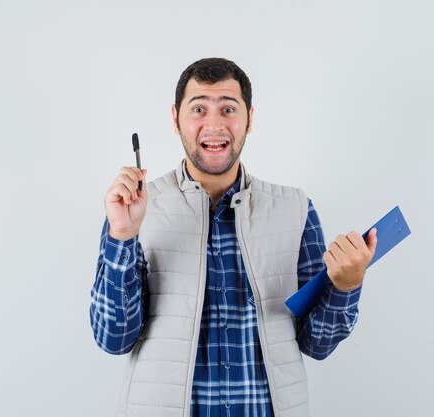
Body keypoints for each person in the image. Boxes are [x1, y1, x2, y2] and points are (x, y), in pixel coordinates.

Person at [90, 57, 378, 417]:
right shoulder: (134, 209)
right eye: (199, 109)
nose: (214, 124)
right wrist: (123, 234)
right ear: (175, 118)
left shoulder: (296, 209)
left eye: (228, 108)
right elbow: (113, 339)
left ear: (249, 119)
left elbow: (316, 344)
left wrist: (345, 287)